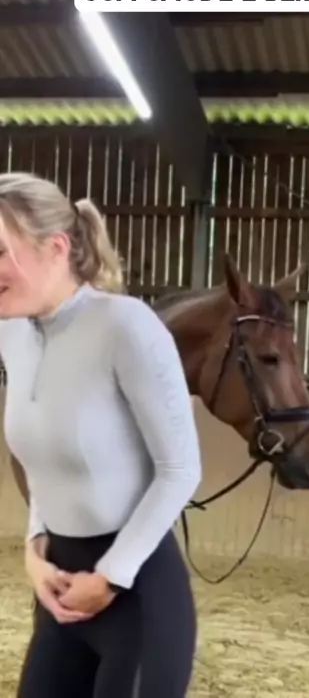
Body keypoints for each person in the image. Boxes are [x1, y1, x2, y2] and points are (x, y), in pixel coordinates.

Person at [0, 171, 202, 697]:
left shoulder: (126, 327)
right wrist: (34, 549)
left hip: (138, 600)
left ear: (56, 248)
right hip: (61, 595)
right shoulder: (12, 334)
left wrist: (111, 575)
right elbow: (43, 458)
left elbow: (180, 469)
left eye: (0, 251)